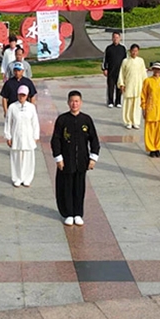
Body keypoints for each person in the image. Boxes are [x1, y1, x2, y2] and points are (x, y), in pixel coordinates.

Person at [51, 91, 100, 226]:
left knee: (79, 187)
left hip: (82, 161)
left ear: (81, 102)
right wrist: (58, 158)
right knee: (66, 187)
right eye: (72, 101)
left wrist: (93, 158)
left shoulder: (86, 120)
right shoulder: (62, 120)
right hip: (66, 161)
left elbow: (94, 140)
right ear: (68, 102)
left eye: (77, 101)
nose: (74, 104)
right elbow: (55, 140)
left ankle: (78, 213)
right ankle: (68, 213)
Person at [4, 85, 40, 187]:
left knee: (28, 158)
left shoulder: (31, 107)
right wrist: (8, 136)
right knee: (16, 158)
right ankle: (17, 178)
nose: (21, 97)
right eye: (20, 95)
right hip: (16, 136)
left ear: (27, 95)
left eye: (23, 95)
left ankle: (27, 178)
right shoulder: (12, 107)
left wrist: (35, 136)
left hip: (28, 137)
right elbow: (8, 122)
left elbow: (35, 123)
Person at [141, 62, 160, 157]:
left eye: (159, 70)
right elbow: (143, 95)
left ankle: (158, 147)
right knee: (150, 130)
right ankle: (151, 148)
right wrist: (144, 108)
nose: (157, 71)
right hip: (151, 109)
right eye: (155, 69)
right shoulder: (147, 81)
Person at [118, 44, 146, 129]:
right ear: (130, 51)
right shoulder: (125, 61)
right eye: (133, 51)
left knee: (137, 105)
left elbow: (143, 74)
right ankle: (128, 121)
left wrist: (145, 85)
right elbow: (121, 73)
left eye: (136, 51)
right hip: (129, 86)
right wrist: (121, 84)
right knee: (128, 105)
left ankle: (135, 121)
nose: (134, 52)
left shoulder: (141, 61)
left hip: (138, 86)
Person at [102, 31, 126, 108]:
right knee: (111, 87)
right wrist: (104, 69)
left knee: (119, 87)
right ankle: (110, 101)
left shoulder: (122, 48)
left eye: (117, 38)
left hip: (120, 72)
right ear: (112, 38)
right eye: (114, 37)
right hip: (111, 71)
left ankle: (118, 101)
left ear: (120, 38)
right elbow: (105, 59)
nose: (116, 39)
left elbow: (125, 60)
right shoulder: (109, 48)